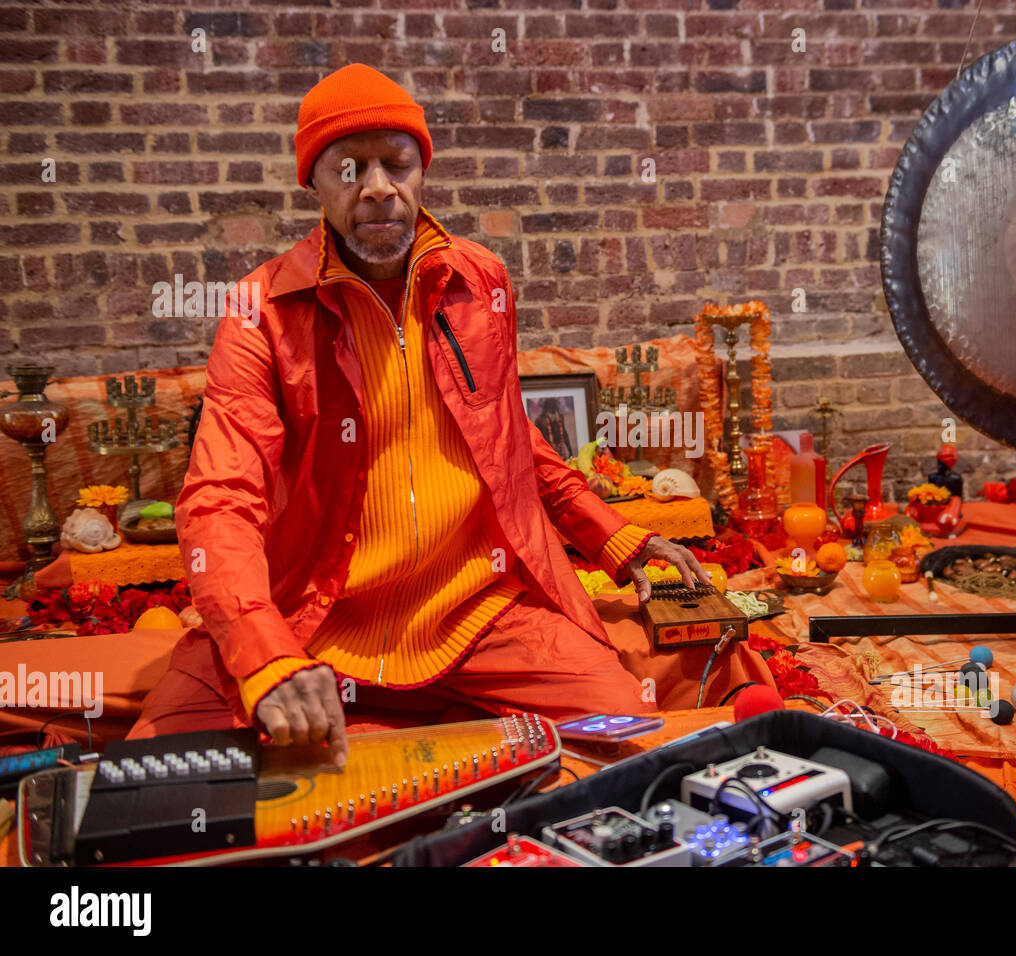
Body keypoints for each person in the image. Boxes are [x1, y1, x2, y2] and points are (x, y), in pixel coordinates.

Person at [128, 64, 708, 767]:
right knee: (158, 774)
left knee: (634, 741)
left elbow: (505, 438)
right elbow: (223, 497)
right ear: (314, 183)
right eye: (350, 167)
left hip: (478, 612)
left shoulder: (478, 281)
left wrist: (616, 539)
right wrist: (263, 652)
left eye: (396, 163)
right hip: (313, 617)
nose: (377, 187)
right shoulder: (263, 311)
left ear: (421, 171)